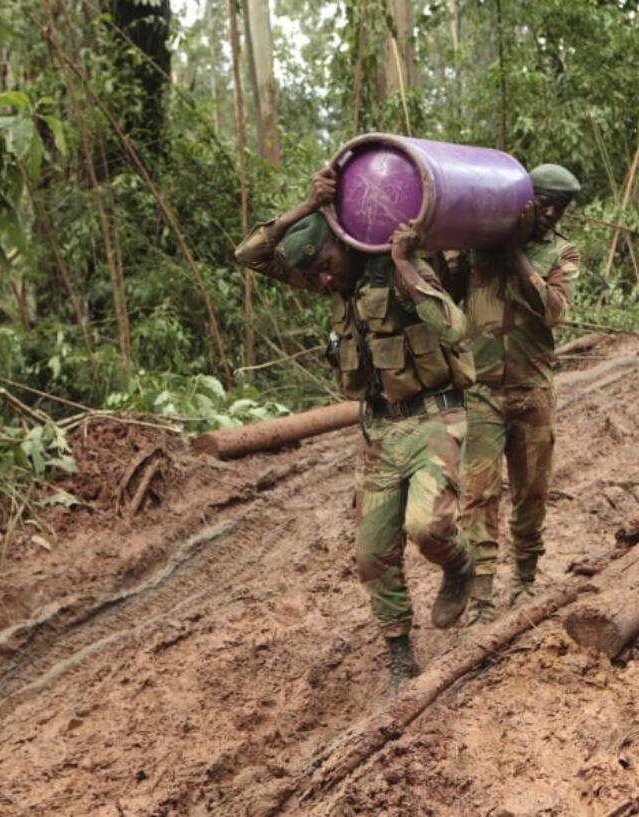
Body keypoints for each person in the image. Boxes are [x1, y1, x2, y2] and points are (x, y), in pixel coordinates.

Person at [234, 167, 477, 697]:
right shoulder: (333, 278)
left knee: (428, 529)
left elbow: (454, 327)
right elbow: (250, 255)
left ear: (341, 247)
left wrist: (405, 264)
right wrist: (305, 206)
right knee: (371, 555)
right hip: (379, 433)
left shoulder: (398, 265)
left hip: (435, 417)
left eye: (324, 268)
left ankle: (461, 564)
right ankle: (400, 658)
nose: (322, 281)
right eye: (316, 275)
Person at [440, 163, 581, 625]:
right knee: (479, 496)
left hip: (533, 392)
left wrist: (515, 253)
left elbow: (554, 311)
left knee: (531, 492)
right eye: (542, 203)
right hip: (481, 391)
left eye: (558, 208)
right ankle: (481, 598)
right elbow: (443, 290)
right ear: (522, 198)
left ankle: (524, 580)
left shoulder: (561, 253)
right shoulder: (478, 248)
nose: (550, 214)